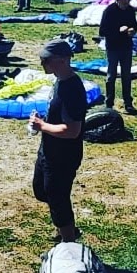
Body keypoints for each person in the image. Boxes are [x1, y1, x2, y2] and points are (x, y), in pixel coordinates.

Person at [29, 38, 88, 243]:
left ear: (62, 60)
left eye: (46, 60)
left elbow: (72, 130)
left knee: (57, 198)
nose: (43, 64)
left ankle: (68, 242)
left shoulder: (72, 89)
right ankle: (66, 227)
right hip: (48, 149)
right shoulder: (59, 80)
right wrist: (43, 121)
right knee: (41, 190)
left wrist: (42, 126)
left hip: (63, 156)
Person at [99, 0, 137, 112]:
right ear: (118, 0)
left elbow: (134, 24)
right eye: (124, 2)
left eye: (128, 2)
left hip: (126, 47)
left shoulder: (130, 11)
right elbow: (102, 31)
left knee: (126, 75)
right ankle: (109, 103)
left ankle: (128, 102)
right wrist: (118, 31)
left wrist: (133, 30)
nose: (126, 4)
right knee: (111, 76)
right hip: (113, 47)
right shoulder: (109, 11)